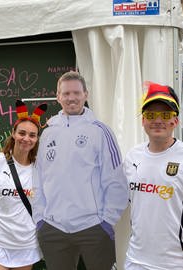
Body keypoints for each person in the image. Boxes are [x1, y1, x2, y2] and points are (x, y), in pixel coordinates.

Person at [32, 71, 128, 270]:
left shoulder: (100, 131)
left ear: (86, 94)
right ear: (58, 97)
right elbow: (38, 180)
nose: (71, 98)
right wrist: (40, 220)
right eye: (66, 94)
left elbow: (116, 180)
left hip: (93, 227)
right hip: (53, 227)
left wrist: (107, 221)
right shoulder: (48, 133)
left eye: (76, 93)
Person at [123, 82, 183, 270]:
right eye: (151, 115)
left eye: (166, 115)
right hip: (135, 262)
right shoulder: (132, 157)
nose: (158, 120)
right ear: (143, 120)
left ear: (175, 121)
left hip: (178, 264)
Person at [0, 100, 47, 270]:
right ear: (13, 133)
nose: (26, 139)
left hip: (26, 245)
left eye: (32, 135)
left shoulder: (41, 168)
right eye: (22, 133)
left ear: (37, 139)